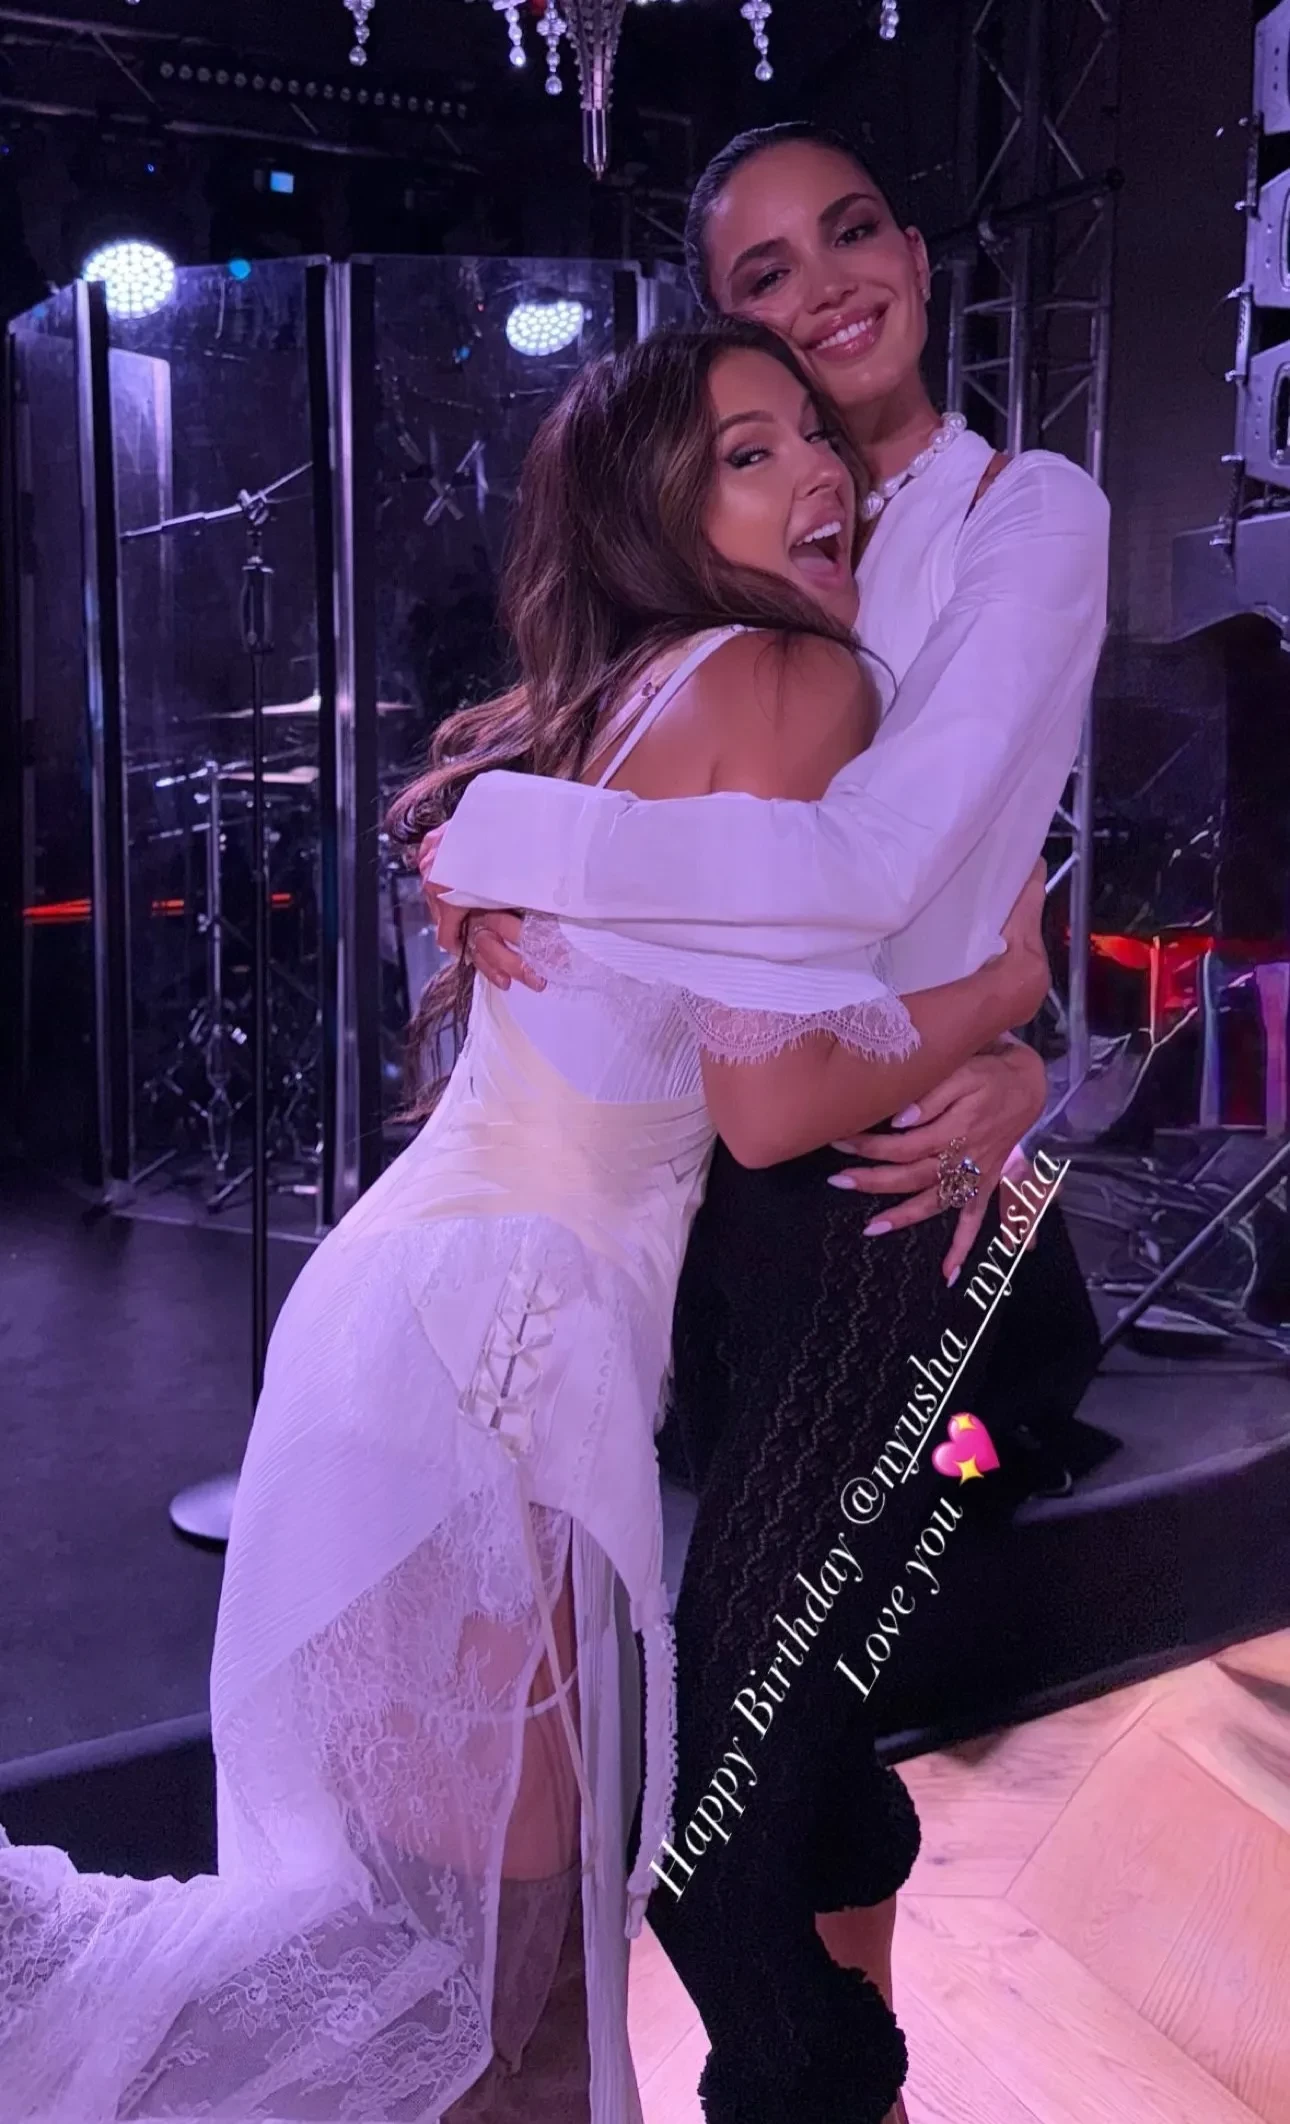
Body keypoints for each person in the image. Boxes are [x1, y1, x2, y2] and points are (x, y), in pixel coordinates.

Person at [0, 323, 1048, 2124]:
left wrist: (991, 1054)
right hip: (505, 1357)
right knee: (489, 2011)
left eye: (811, 433)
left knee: (446, 1991)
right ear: (654, 507)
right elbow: (766, 1099)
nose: (817, 470)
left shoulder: (628, 694)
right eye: (745, 452)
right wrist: (1011, 1002)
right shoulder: (790, 681)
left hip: (419, 1323)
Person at [422, 120, 1112, 2119]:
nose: (829, 291)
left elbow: (882, 862)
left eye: (855, 230)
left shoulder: (1023, 514)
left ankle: (813, 2079)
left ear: (919, 247)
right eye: (764, 277)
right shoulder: (761, 547)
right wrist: (472, 830)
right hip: (747, 1217)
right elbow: (678, 843)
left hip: (894, 1211)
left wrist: (1011, 1025)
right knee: (797, 1738)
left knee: (729, 1790)